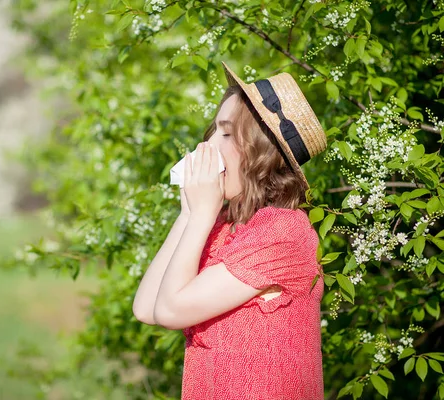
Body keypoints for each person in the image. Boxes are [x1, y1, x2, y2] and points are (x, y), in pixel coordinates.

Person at [132, 61, 328, 400]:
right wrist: (190, 213)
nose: (209, 145)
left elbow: (169, 311)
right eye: (214, 131)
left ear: (260, 152)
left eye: (226, 133)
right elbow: (147, 308)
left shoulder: (281, 233)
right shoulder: (226, 226)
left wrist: (201, 215)